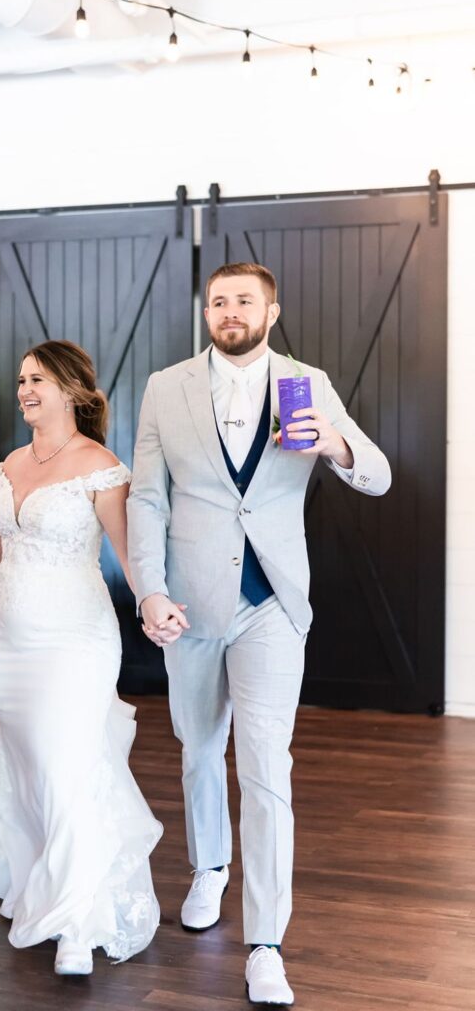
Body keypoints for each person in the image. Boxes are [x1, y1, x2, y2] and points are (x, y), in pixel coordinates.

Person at [126, 262, 391, 1005]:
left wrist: (331, 446)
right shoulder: (162, 387)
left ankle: (265, 943)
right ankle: (209, 867)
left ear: (270, 312)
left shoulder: (308, 382)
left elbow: (376, 474)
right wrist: (149, 587)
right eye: (218, 301)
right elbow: (146, 497)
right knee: (199, 746)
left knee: (266, 768)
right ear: (205, 312)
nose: (229, 310)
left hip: (272, 600)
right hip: (190, 604)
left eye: (244, 300)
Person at [0, 340, 162, 976]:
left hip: (74, 639)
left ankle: (76, 923)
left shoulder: (100, 465)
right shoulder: (12, 463)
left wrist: (154, 605)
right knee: (32, 769)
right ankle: (43, 886)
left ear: (72, 390)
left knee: (64, 767)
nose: (24, 390)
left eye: (37, 380)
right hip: (10, 643)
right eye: (21, 379)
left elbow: (131, 556)